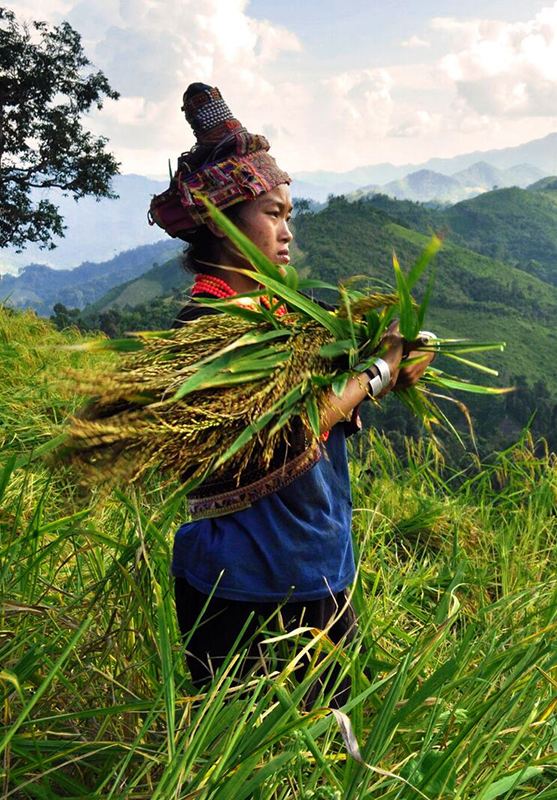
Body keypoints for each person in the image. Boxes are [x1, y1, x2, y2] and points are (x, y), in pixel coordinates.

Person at [148, 83, 433, 702]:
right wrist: (376, 376)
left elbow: (360, 364)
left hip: (318, 567)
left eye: (288, 215)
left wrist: (409, 345)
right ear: (223, 222)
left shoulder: (287, 315)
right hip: (241, 587)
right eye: (273, 214)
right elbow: (290, 428)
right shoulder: (208, 332)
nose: (287, 232)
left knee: (333, 749)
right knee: (246, 758)